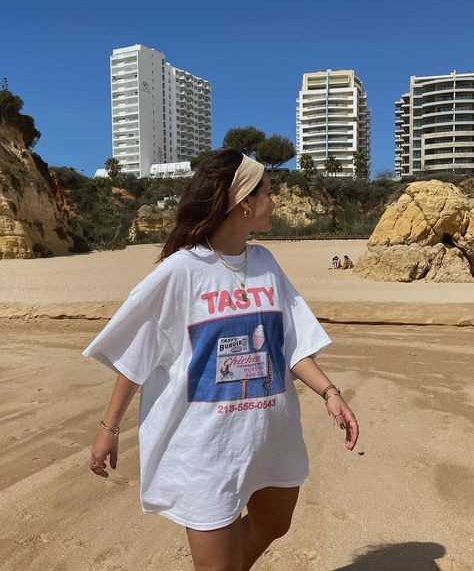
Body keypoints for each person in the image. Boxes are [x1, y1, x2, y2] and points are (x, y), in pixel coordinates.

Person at [84, 149, 359, 571]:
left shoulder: (265, 263)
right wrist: (109, 427)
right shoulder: (182, 271)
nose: (274, 200)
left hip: (270, 433)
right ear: (245, 202)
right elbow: (137, 349)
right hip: (206, 448)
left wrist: (330, 392)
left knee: (276, 523)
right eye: (268, 191)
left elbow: (290, 344)